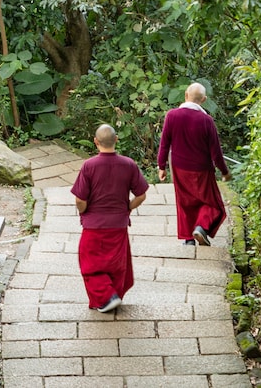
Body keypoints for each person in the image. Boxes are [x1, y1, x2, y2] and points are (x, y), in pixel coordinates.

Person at [72, 124, 149, 312]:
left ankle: (107, 297)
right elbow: (141, 195)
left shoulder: (89, 166)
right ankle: (112, 294)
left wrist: (85, 212)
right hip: (118, 224)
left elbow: (80, 199)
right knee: (116, 264)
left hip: (94, 225)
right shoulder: (128, 164)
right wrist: (126, 208)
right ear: (116, 139)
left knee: (89, 264)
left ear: (95, 142)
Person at [157, 82, 231, 247]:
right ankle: (201, 227)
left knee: (185, 202)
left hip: (179, 168)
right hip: (202, 169)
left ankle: (188, 239)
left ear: (185, 95)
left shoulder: (172, 115)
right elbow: (216, 152)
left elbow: (164, 143)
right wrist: (224, 172)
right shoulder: (206, 120)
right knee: (214, 204)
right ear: (203, 99)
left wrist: (161, 166)